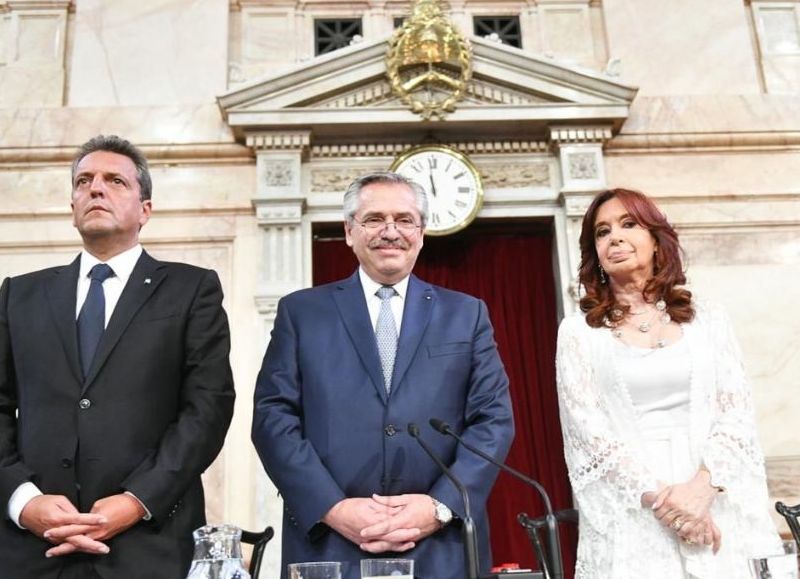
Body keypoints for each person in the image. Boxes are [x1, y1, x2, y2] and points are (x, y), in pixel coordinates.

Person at [252, 171, 514, 579]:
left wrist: (437, 507)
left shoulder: (467, 314)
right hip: (330, 541)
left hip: (439, 542)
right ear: (349, 232)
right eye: (374, 219)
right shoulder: (301, 313)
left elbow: (493, 421)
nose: (390, 231)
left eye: (404, 220)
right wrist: (333, 508)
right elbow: (273, 418)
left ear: (422, 233)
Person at [0, 135, 235, 578]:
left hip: (148, 544)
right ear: (72, 205)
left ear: (145, 209)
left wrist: (136, 501)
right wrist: (22, 500)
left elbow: (208, 408)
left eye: (114, 181)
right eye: (83, 181)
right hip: (33, 549)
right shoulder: (20, 295)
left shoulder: (191, 290)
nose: (95, 189)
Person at [555, 188, 781, 578]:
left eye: (629, 224)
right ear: (596, 254)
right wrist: (672, 507)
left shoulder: (707, 318)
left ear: (657, 242)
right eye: (603, 232)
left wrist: (702, 490)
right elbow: (589, 436)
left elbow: (736, 413)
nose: (615, 237)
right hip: (637, 511)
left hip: (716, 497)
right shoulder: (578, 333)